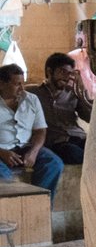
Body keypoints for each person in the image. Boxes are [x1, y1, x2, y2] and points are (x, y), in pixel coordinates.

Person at [0, 64, 63, 199]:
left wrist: (33, 152)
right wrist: (2, 153)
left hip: (24, 147)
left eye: (23, 84)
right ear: (1, 84)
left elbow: (40, 130)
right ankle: (9, 216)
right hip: (1, 150)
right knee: (4, 177)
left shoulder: (31, 99)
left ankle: (40, 207)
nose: (22, 89)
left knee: (53, 163)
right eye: (17, 84)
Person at [28, 52, 92, 165]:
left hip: (78, 137)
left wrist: (83, 96)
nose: (66, 77)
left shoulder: (73, 93)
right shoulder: (33, 93)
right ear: (49, 71)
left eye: (70, 73)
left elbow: (91, 118)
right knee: (73, 153)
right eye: (62, 72)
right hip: (57, 143)